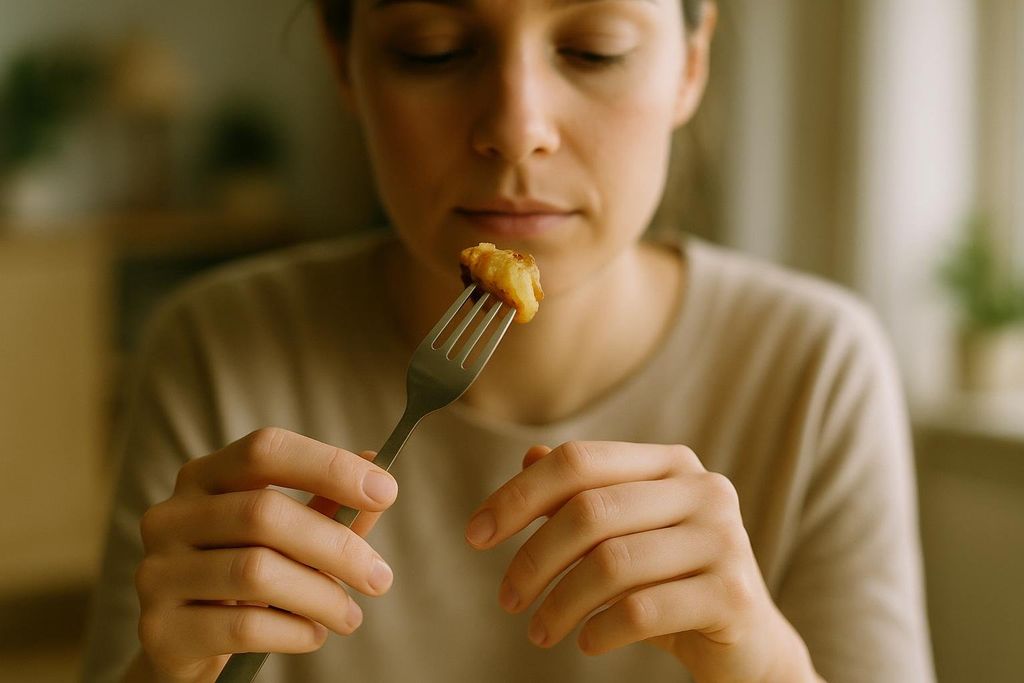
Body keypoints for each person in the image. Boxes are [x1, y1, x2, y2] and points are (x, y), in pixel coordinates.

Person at [82, 0, 935, 681]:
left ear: (691, 64)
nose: (516, 126)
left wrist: (765, 664)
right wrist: (169, 673)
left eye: (594, 48)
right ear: (345, 63)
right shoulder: (213, 348)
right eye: (434, 46)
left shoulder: (819, 365)